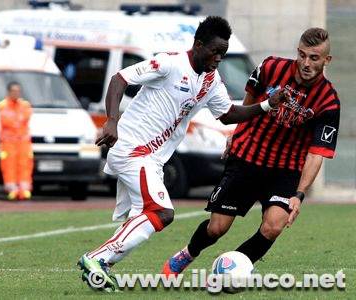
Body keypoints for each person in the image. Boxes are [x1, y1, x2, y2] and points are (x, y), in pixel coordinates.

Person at [77, 16, 288, 291]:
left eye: (222, 54)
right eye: (215, 52)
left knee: (144, 219)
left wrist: (266, 105)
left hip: (153, 158)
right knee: (162, 212)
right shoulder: (169, 63)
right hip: (132, 148)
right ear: (198, 45)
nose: (218, 58)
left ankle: (101, 267)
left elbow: (227, 115)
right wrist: (112, 120)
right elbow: (119, 79)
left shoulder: (211, 81)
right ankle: (95, 258)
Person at [162, 27, 340, 276]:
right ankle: (187, 254)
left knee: (274, 226)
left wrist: (299, 194)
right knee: (217, 228)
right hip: (247, 157)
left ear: (326, 60)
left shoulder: (329, 101)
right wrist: (236, 133)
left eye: (314, 58)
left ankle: (234, 269)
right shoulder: (270, 67)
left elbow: (316, 153)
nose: (306, 63)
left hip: (286, 170)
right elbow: (248, 102)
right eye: (302, 55)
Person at [0, 82, 33, 201]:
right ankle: (12, 190)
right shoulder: (2, 106)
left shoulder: (25, 105)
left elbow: (25, 120)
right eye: (14, 91)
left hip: (23, 142)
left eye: (18, 91)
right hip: (8, 143)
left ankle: (25, 190)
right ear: (9, 92)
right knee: (9, 165)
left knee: (25, 164)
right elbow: (6, 122)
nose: (16, 93)